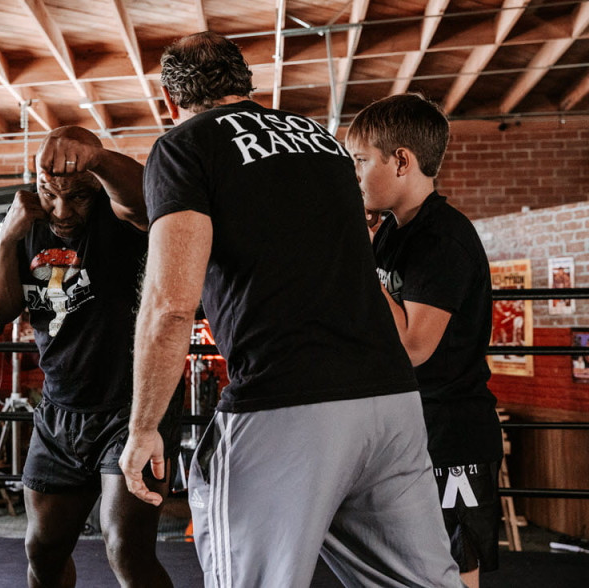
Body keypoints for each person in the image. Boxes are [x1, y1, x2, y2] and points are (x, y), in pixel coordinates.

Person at [119, 31, 462, 588]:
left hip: (287, 403)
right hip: (390, 402)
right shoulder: (322, 141)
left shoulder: (184, 145)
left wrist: (143, 427)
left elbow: (171, 306)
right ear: (245, 83)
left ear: (169, 101)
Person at [0, 125, 182, 588]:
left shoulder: (121, 217)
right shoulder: (28, 225)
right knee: (43, 550)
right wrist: (7, 237)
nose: (62, 211)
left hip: (131, 410)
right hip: (60, 413)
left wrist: (98, 157)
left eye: (78, 197)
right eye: (49, 194)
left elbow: (147, 199)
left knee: (126, 549)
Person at [346, 93, 504, 588]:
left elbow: (414, 346)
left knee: (455, 567)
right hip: (407, 423)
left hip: (452, 431)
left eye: (361, 161)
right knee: (403, 562)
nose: (354, 175)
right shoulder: (394, 232)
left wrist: (357, 258)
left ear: (401, 161)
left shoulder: (443, 239)